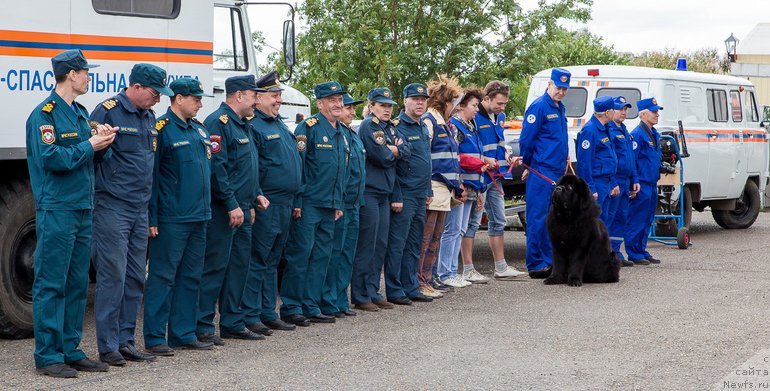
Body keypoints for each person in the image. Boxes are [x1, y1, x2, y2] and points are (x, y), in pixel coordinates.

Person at [27, 49, 115, 378]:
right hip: (58, 208)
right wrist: (88, 146)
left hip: (81, 207)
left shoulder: (79, 114)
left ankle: (70, 348)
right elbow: (52, 159)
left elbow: (88, 160)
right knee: (52, 282)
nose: (89, 78)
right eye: (85, 72)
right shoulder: (44, 115)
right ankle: (48, 354)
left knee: (77, 282)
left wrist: (103, 143)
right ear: (72, 75)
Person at [90, 63, 172, 366]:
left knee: (136, 276)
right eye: (154, 93)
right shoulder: (108, 111)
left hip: (139, 208)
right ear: (136, 87)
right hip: (113, 205)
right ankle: (108, 346)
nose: (158, 99)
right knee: (113, 275)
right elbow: (93, 153)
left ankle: (125, 341)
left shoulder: (149, 116)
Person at [144, 78, 214, 355]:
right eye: (195, 98)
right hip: (172, 218)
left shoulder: (199, 130)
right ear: (179, 98)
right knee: (163, 277)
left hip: (199, 216)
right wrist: (153, 218)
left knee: (191, 276)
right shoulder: (162, 130)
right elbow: (153, 179)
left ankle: (183, 333)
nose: (199, 103)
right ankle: (154, 337)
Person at [196, 75, 265, 343]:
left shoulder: (243, 124)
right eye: (253, 95)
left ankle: (232, 322)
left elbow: (248, 166)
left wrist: (254, 197)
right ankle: (202, 325)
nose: (256, 101)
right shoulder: (219, 122)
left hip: (244, 208)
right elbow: (218, 170)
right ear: (238, 95)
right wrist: (233, 204)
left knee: (238, 266)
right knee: (215, 268)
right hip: (225, 210)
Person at [280, 81, 348, 326]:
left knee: (321, 256)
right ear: (320, 104)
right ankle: (292, 306)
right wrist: (298, 200)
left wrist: (338, 201)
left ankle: (311, 304)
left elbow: (340, 170)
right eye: (332, 100)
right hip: (308, 204)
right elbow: (299, 166)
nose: (338, 104)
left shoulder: (341, 132)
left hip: (330, 205)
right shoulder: (308, 128)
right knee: (300, 255)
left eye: (340, 99)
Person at [241, 71, 302, 332]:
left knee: (273, 260)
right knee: (258, 259)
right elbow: (252, 168)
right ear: (259, 97)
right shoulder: (254, 125)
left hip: (285, 203)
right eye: (274, 95)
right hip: (266, 202)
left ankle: (267, 311)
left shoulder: (277, 124)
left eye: (279, 96)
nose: (278, 100)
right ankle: (251, 314)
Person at [351, 87, 411, 311]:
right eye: (382, 105)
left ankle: (373, 291)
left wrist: (395, 150)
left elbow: (408, 151)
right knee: (367, 244)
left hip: (384, 192)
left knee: (380, 245)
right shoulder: (369, 126)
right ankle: (360, 294)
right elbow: (382, 156)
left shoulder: (389, 127)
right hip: (370, 191)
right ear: (372, 106)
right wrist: (394, 151)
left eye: (389, 106)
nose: (387, 109)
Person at [383, 83, 434, 305]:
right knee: (398, 244)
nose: (420, 102)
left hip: (420, 194)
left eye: (423, 99)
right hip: (404, 194)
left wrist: (428, 189)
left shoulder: (423, 126)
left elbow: (426, 161)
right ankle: (395, 290)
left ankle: (411, 286)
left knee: (414, 244)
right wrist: (396, 195)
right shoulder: (397, 127)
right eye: (415, 99)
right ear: (405, 101)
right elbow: (391, 166)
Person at [519, 68, 571, 279]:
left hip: (556, 170)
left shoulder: (560, 108)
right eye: (558, 87)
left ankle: (550, 261)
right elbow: (526, 140)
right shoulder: (539, 107)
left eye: (564, 89)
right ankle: (536, 263)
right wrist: (530, 165)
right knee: (538, 218)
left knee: (553, 219)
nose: (560, 92)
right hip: (541, 170)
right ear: (549, 85)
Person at [475, 81, 527, 280]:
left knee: (499, 220)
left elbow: (499, 142)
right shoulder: (473, 117)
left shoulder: (501, 117)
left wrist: (507, 155)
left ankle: (501, 267)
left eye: (505, 104)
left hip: (497, 175)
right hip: (479, 175)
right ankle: (467, 268)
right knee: (471, 223)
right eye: (499, 103)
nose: (502, 107)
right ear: (486, 98)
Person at [320, 92, 367, 316]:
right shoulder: (335, 134)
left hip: (354, 203)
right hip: (341, 202)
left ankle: (340, 300)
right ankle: (329, 301)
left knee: (347, 254)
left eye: (352, 108)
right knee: (334, 254)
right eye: (348, 107)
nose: (351, 112)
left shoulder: (351, 134)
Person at [417, 74, 463, 299]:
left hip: (445, 189)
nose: (454, 108)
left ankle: (429, 276)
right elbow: (426, 156)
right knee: (426, 237)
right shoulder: (430, 120)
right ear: (444, 102)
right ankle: (421, 280)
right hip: (433, 186)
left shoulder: (445, 123)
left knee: (436, 236)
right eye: (452, 103)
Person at [438, 88, 488, 288]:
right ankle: (445, 272)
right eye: (474, 105)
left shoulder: (471, 126)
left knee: (460, 229)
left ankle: (451, 270)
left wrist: (481, 185)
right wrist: (458, 184)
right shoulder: (455, 127)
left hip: (473, 184)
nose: (477, 109)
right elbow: (454, 157)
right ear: (460, 106)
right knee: (452, 229)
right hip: (461, 185)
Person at [626, 98, 664, 265]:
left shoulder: (653, 133)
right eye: (653, 111)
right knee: (637, 219)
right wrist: (634, 181)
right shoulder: (638, 134)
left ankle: (641, 249)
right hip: (642, 182)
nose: (657, 114)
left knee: (648, 218)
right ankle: (634, 252)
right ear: (643, 114)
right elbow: (632, 160)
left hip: (652, 183)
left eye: (657, 111)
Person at [606, 96, 639, 267]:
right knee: (609, 217)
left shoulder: (624, 129)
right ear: (611, 111)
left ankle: (617, 251)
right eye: (620, 109)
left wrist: (634, 178)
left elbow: (630, 157)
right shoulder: (609, 130)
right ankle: (607, 252)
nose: (624, 113)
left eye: (626, 110)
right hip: (615, 180)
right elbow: (611, 159)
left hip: (626, 180)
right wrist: (613, 182)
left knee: (621, 217)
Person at [575, 95, 618, 224]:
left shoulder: (605, 128)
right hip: (596, 182)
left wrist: (613, 181)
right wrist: (590, 188)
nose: (615, 112)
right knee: (593, 224)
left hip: (606, 182)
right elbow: (584, 163)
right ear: (607, 112)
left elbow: (609, 158)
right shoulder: (590, 130)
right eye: (613, 109)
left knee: (603, 224)